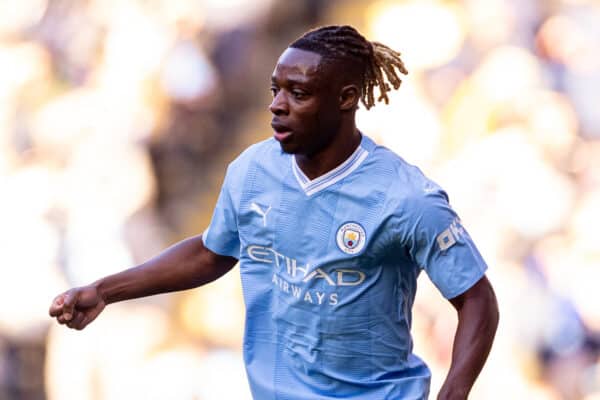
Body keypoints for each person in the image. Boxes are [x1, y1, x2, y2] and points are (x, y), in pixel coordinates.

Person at [49, 25, 499, 400]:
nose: (277, 105)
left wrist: (452, 395)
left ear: (345, 98)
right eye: (275, 89)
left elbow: (477, 300)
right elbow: (212, 253)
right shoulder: (252, 171)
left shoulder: (406, 197)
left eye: (298, 93)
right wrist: (105, 291)